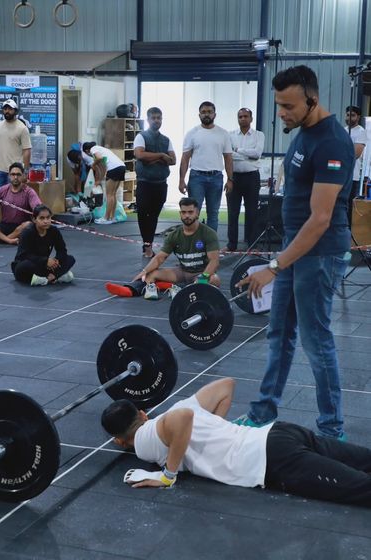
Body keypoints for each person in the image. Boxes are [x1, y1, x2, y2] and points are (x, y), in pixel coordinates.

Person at [233, 65, 355, 440]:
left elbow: (320, 219)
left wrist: (273, 266)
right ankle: (263, 412)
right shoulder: (302, 133)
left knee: (316, 340)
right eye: (279, 105)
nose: (282, 113)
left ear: (312, 99)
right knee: (278, 333)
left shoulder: (332, 142)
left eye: (288, 105)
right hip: (293, 250)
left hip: (319, 255)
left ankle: (331, 430)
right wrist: (281, 260)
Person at [101, 378, 371, 507]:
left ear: (119, 441)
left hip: (272, 460)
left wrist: (167, 476)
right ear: (142, 413)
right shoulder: (180, 405)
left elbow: (181, 420)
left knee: (362, 489)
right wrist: (219, 427)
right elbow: (226, 386)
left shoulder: (143, 440)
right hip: (281, 433)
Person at [106, 198, 220, 300]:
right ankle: (130, 290)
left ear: (197, 213)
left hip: (201, 273)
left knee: (214, 280)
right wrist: (144, 271)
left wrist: (203, 277)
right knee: (151, 274)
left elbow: (214, 261)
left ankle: (176, 288)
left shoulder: (208, 233)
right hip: (183, 272)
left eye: (190, 212)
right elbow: (160, 258)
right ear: (180, 214)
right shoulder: (174, 235)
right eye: (184, 212)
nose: (187, 216)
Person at [179, 101, 233, 232]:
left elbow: (228, 158)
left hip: (216, 178)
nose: (206, 114)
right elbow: (185, 158)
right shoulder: (192, 133)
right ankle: (194, 244)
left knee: (213, 214)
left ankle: (211, 247)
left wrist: (230, 179)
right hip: (197, 177)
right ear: (199, 115)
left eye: (209, 112)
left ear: (215, 114)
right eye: (203, 112)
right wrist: (181, 180)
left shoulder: (223, 134)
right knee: (193, 213)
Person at [134, 107, 176, 257]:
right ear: (148, 120)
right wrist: (161, 155)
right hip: (145, 183)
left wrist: (152, 158)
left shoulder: (166, 139)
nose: (156, 120)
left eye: (159, 118)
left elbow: (173, 160)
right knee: (143, 214)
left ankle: (148, 245)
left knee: (153, 216)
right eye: (154, 118)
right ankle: (147, 246)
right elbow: (140, 155)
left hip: (160, 184)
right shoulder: (141, 136)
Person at [226, 108, 265, 250]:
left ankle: (251, 244)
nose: (243, 119)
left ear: (251, 118)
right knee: (232, 212)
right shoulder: (230, 135)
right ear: (237, 119)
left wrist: (238, 151)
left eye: (245, 116)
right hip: (234, 177)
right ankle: (231, 245)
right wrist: (247, 156)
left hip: (252, 177)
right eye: (240, 116)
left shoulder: (259, 135)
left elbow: (257, 154)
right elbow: (228, 155)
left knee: (252, 212)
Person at [11, 204, 75, 286]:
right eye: (42, 218)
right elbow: (24, 255)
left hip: (45, 266)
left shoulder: (54, 231)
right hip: (30, 263)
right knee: (23, 266)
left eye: (48, 218)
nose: (46, 221)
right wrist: (45, 261)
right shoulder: (27, 232)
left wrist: (56, 260)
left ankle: (49, 277)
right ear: (34, 219)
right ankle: (55, 276)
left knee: (70, 259)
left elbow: (62, 250)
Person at [0, 99, 32, 192]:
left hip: (14, 172)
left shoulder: (22, 128)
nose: (7, 111)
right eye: (5, 109)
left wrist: (25, 171)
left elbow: (26, 150)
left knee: (13, 200)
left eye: (10, 109)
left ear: (15, 111)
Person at [85, 142, 126, 225]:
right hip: (121, 167)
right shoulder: (102, 149)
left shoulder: (94, 149)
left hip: (114, 169)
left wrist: (93, 164)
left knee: (109, 195)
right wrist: (98, 180)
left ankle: (106, 218)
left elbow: (99, 158)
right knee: (113, 194)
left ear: (87, 151)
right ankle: (112, 217)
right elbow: (103, 168)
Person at [344, 105, 367, 227]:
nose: (349, 118)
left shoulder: (361, 132)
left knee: (348, 208)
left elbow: (355, 154)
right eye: (347, 115)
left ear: (358, 117)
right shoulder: (343, 130)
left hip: (353, 176)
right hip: (339, 175)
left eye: (352, 115)